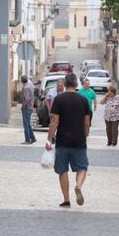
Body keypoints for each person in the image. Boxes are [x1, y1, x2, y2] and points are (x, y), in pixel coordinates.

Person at [46, 73, 91, 207]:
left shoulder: (59, 100)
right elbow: (87, 122)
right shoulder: (83, 100)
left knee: (62, 170)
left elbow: (54, 122)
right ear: (77, 85)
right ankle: (78, 186)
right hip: (79, 140)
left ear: (65, 84)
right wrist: (85, 135)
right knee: (82, 167)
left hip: (63, 141)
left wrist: (49, 140)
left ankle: (66, 200)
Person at [20, 75, 37, 145]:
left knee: (26, 124)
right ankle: (33, 138)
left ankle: (27, 139)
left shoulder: (25, 88)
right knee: (28, 124)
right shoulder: (30, 86)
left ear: (21, 81)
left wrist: (23, 106)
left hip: (26, 108)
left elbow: (27, 99)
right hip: (30, 107)